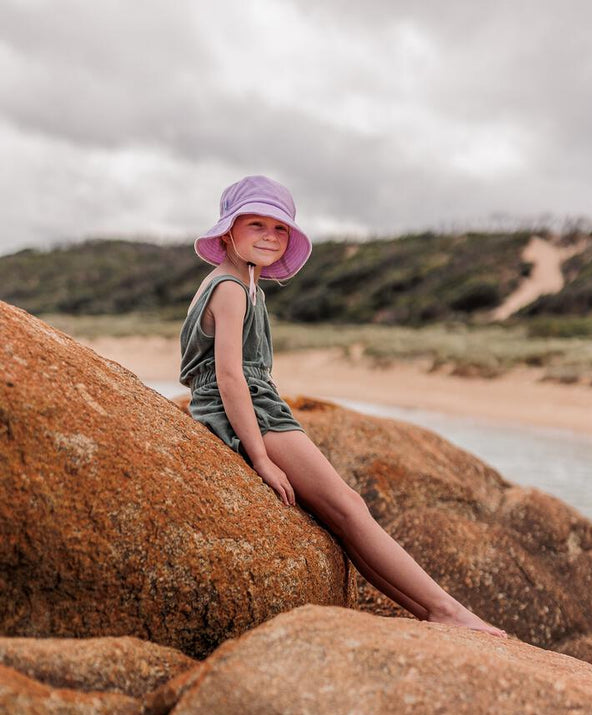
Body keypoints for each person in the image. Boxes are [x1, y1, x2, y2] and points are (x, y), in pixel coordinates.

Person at [180, 175, 506, 637]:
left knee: (343, 519)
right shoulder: (230, 288)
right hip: (247, 410)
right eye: (256, 224)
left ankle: (435, 611)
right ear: (228, 231)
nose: (270, 236)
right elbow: (230, 377)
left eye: (280, 229)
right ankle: (445, 610)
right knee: (350, 508)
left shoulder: (243, 285)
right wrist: (260, 458)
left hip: (257, 403)